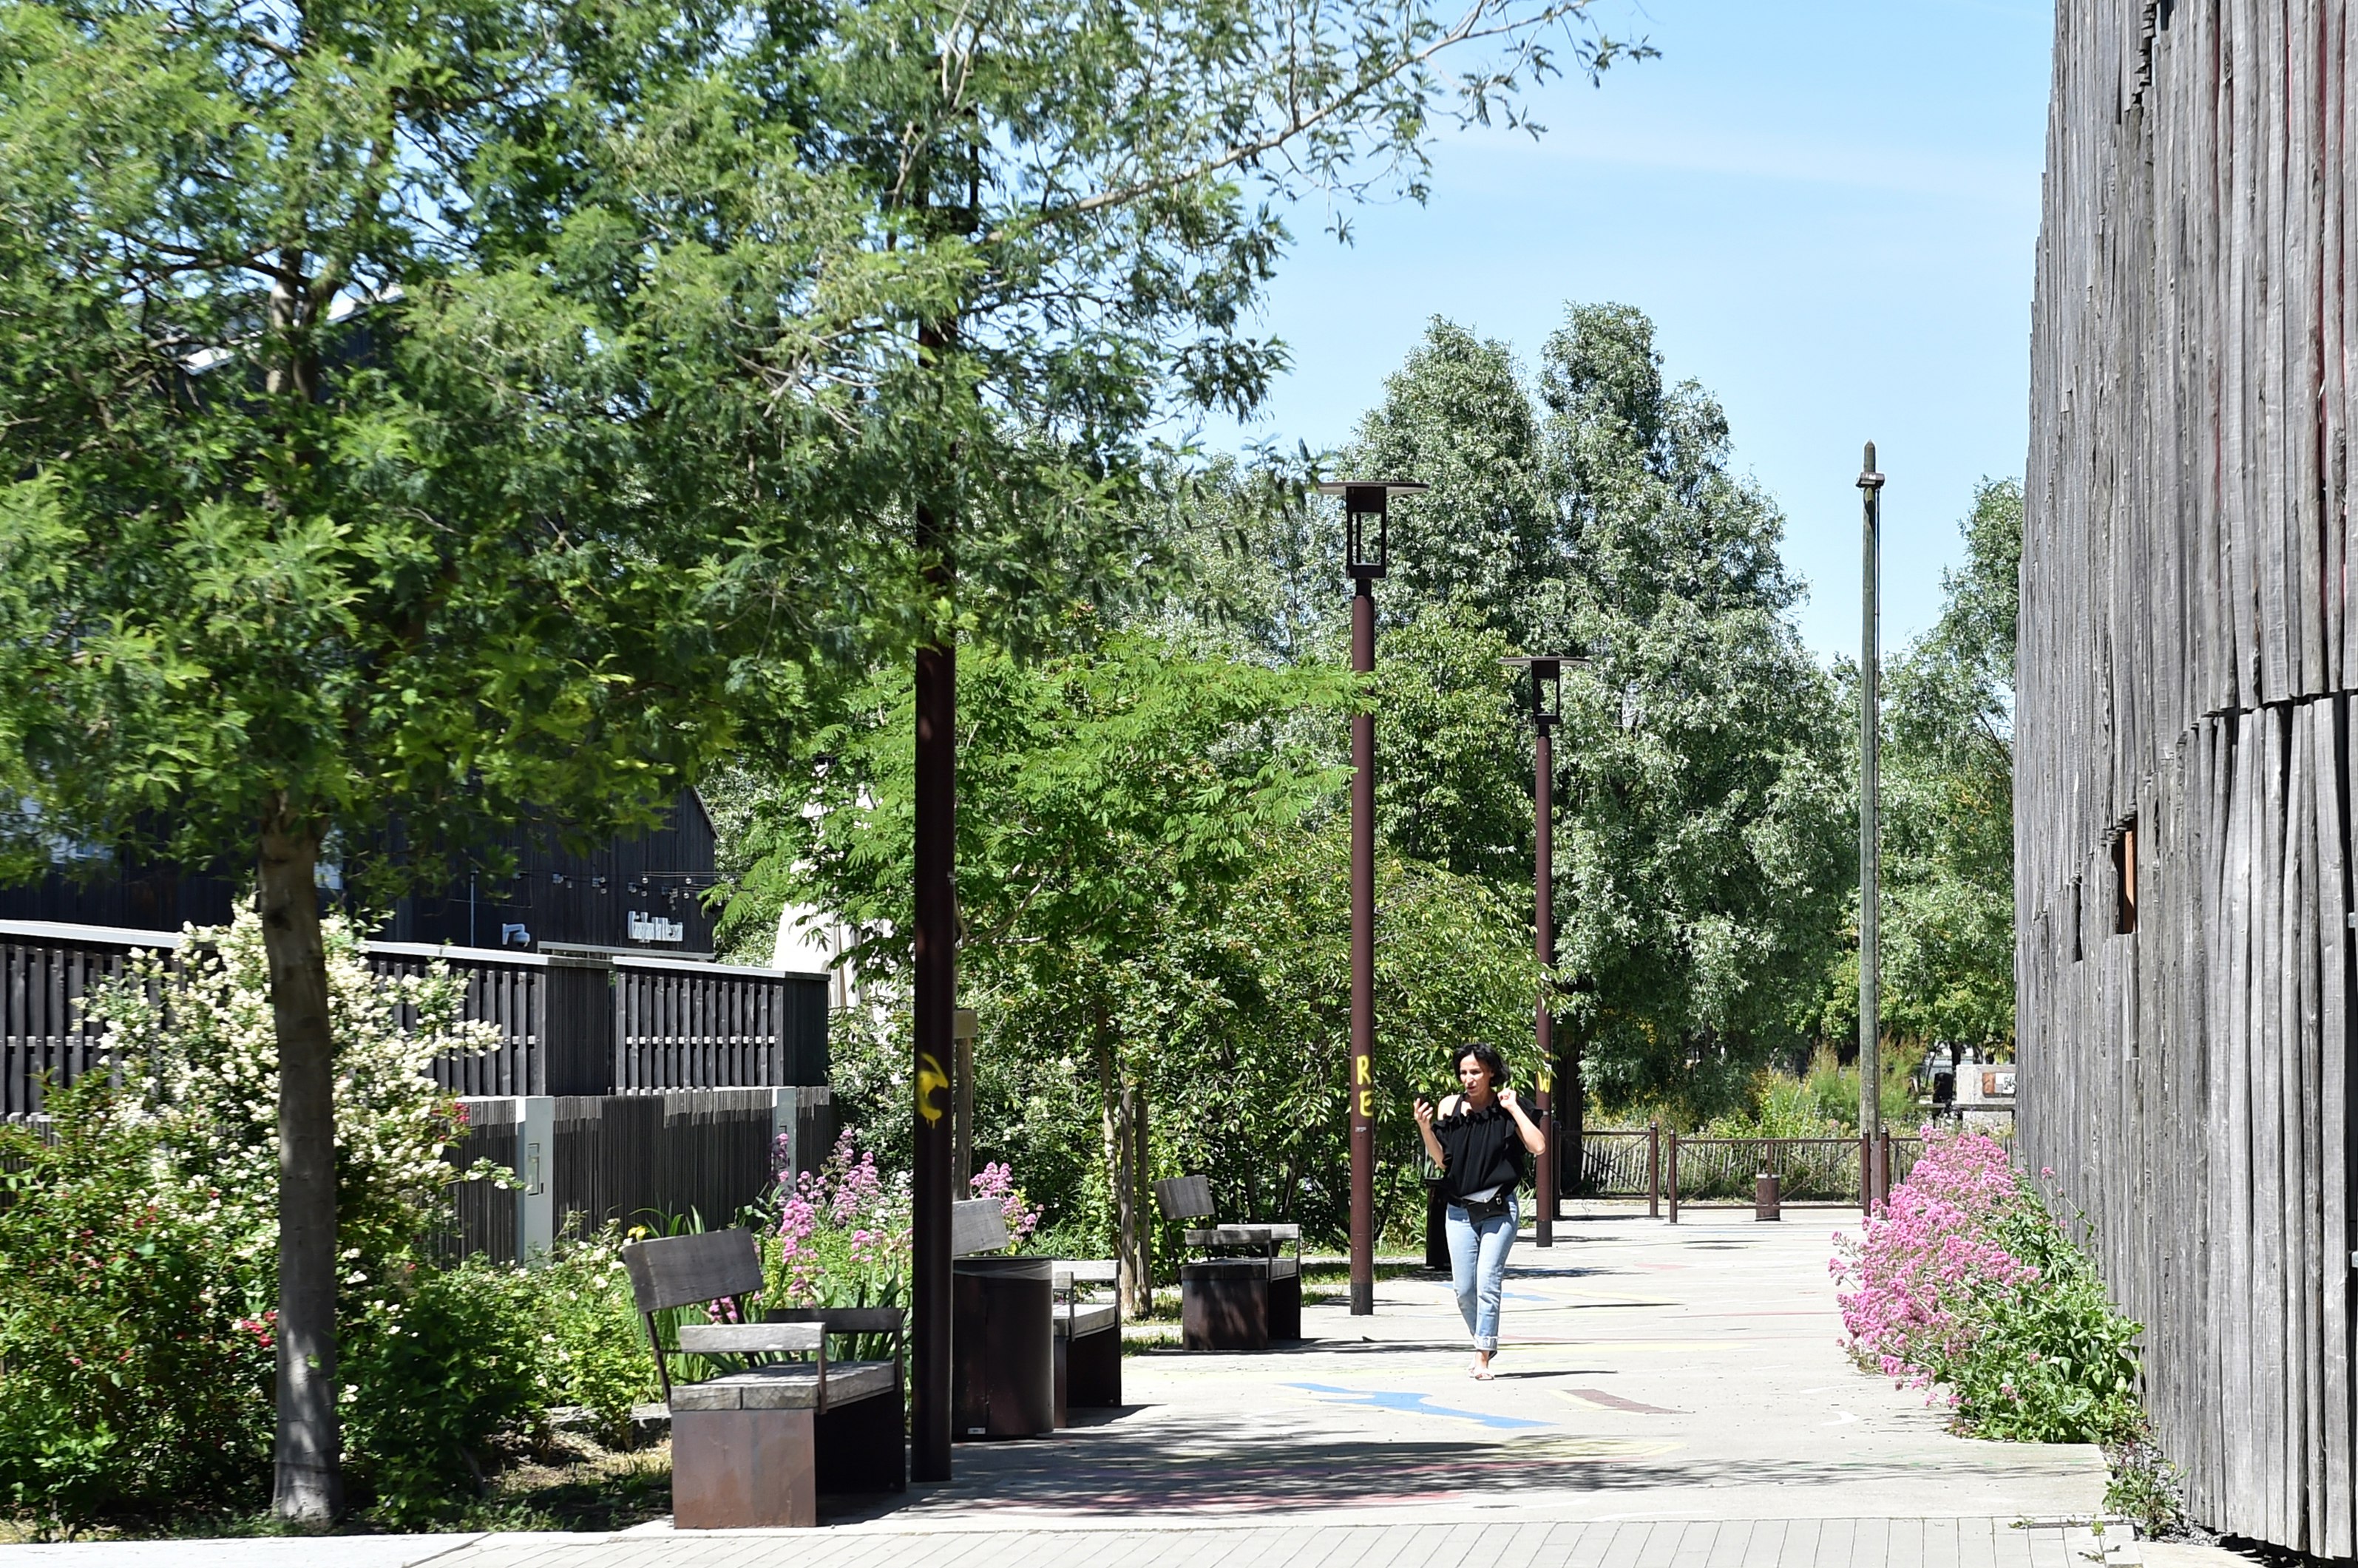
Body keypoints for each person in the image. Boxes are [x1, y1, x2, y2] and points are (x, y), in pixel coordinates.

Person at [1414, 1042, 1547, 1379]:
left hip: (1499, 1210)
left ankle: (1482, 1356)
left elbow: (1538, 1146)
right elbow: (1442, 1160)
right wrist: (1426, 1128)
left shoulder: (1507, 1107)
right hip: (1459, 1210)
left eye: (1475, 1072)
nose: (1469, 1079)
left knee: (1488, 1281)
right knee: (1464, 1289)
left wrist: (1515, 1109)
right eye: (1463, 1072)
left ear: (1490, 1073)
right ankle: (1485, 1339)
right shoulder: (1450, 1107)